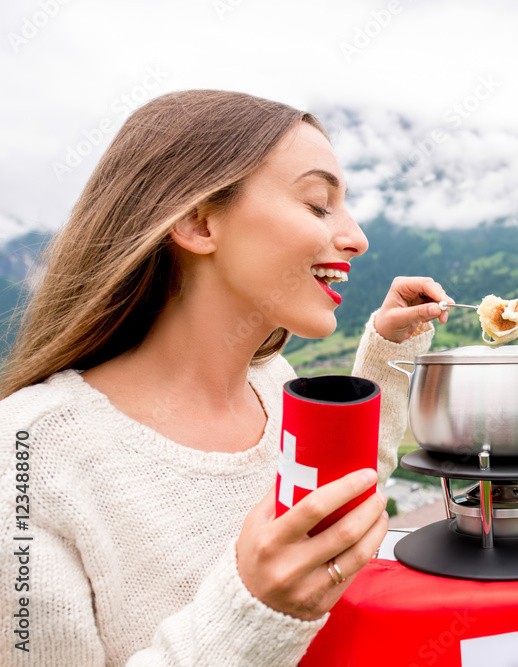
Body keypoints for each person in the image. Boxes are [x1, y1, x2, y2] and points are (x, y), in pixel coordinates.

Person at [0, 90, 452, 666]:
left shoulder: (273, 385)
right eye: (318, 205)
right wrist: (255, 608)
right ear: (197, 220)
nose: (358, 238)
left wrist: (389, 351)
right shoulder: (26, 456)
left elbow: (345, 497)